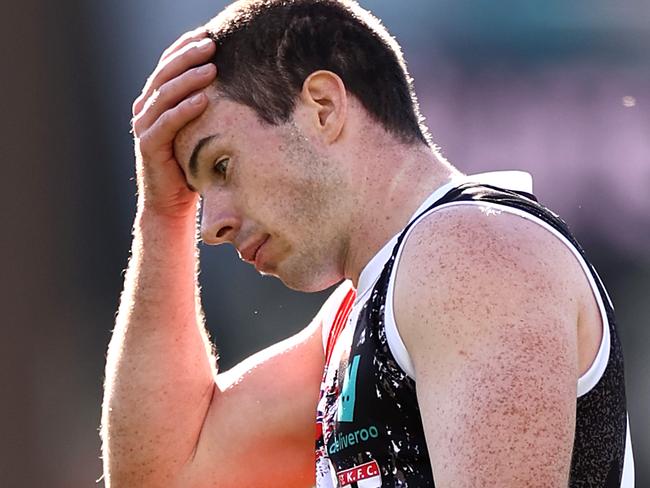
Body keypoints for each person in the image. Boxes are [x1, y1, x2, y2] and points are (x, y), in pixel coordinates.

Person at [101, 0, 634, 486]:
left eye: (222, 165)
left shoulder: (466, 253)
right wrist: (162, 214)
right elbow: (163, 474)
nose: (211, 225)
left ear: (324, 106)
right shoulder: (360, 310)